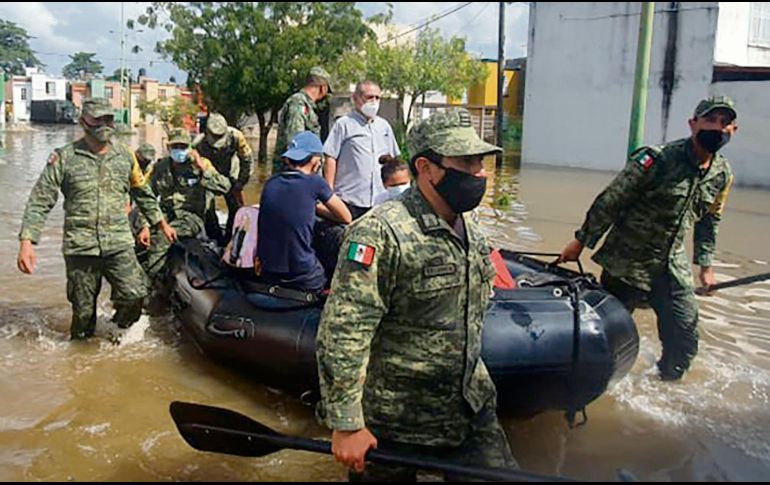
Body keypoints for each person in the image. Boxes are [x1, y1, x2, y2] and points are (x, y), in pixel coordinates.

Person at [316, 108, 516, 481]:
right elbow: (344, 330)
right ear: (426, 168)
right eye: (467, 162)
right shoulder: (380, 232)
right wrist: (346, 423)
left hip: (471, 407)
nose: (479, 173)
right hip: (398, 423)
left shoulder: (469, 224)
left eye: (481, 162)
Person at [558, 96, 738, 381]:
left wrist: (705, 268)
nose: (717, 128)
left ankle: (663, 385)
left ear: (733, 130)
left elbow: (709, 222)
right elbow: (612, 200)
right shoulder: (657, 159)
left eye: (725, 123)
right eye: (710, 120)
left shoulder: (722, 175)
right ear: (693, 124)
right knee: (606, 336)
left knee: (685, 338)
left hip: (671, 268)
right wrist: (581, 241)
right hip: (626, 262)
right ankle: (599, 388)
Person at [17, 97, 176, 340]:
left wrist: (161, 223)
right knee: (82, 313)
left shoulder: (125, 156)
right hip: (81, 246)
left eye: (108, 118)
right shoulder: (65, 157)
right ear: (83, 122)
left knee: (135, 293)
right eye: (98, 119)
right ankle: (81, 359)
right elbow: (41, 199)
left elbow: (142, 193)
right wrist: (27, 241)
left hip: (118, 243)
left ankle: (116, 329)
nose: (104, 124)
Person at [257, 131, 351, 292]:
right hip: (301, 276)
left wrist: (309, 206)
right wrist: (315, 207)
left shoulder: (271, 183)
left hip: (268, 272)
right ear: (316, 160)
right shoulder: (315, 183)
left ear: (287, 159)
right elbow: (345, 217)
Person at [136, 128, 231, 282]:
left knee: (162, 238)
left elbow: (224, 187)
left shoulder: (201, 164)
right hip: (165, 213)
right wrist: (144, 225)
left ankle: (148, 282)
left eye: (183, 147)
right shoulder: (161, 166)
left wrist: (202, 169)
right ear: (168, 148)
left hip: (190, 217)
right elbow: (147, 197)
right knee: (138, 237)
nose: (179, 150)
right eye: (175, 147)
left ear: (190, 147)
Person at [323, 80, 400, 219]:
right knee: (350, 239)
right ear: (356, 98)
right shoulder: (344, 124)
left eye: (377, 98)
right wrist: (329, 193)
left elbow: (393, 159)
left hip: (379, 200)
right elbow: (330, 157)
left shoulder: (384, 126)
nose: (374, 102)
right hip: (350, 200)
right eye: (369, 97)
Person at [195, 113, 254, 245]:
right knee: (206, 208)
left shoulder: (236, 137)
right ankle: (215, 239)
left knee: (236, 208)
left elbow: (247, 161)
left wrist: (240, 184)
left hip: (231, 173)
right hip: (209, 176)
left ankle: (231, 238)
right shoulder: (198, 144)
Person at [273, 66, 333, 174]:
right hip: (295, 176)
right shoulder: (298, 104)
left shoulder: (308, 106)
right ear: (323, 88)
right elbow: (295, 143)